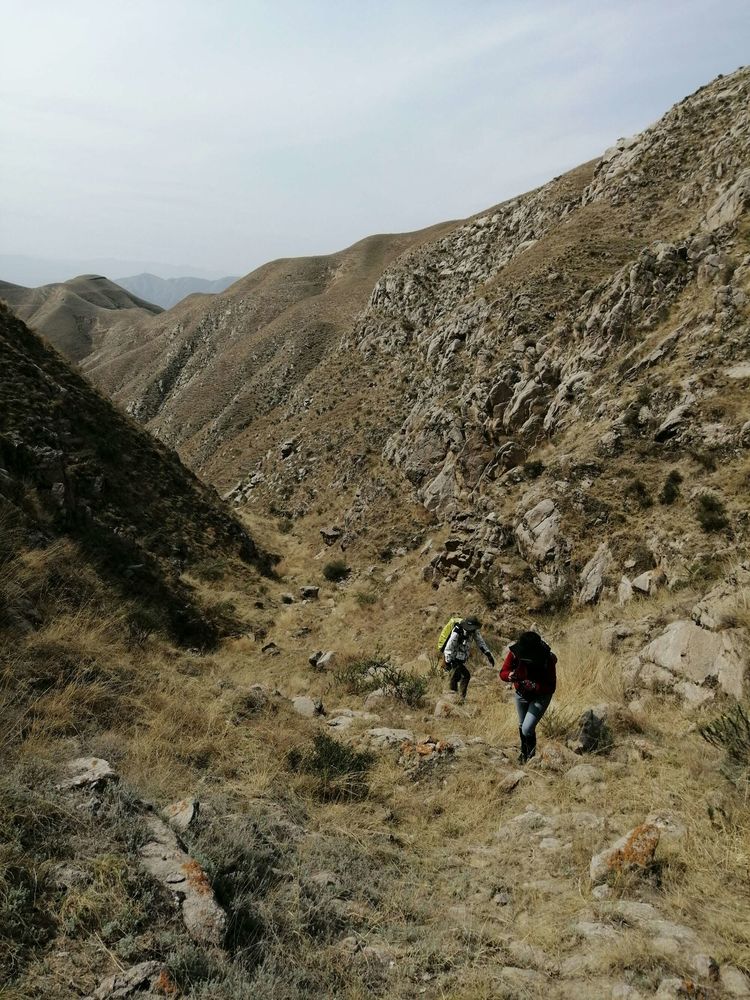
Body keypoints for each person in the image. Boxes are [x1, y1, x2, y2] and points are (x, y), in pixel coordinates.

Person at [500, 630, 557, 762]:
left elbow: (551, 687)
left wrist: (534, 686)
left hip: (541, 696)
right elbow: (503, 672)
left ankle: (530, 757)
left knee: (527, 728)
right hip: (521, 694)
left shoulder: (548, 658)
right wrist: (509, 676)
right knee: (522, 725)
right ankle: (524, 754)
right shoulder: (515, 653)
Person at [443, 616, 495, 702]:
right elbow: (448, 647)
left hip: (461, 657)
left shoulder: (474, 631)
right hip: (453, 658)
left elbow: (480, 642)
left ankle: (456, 698)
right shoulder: (457, 632)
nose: (472, 630)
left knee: (457, 677)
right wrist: (449, 662)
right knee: (464, 675)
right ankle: (457, 698)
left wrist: (488, 654)